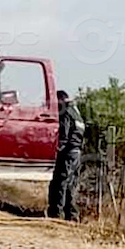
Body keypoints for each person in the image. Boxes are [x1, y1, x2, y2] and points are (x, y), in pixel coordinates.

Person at [47, 90, 85, 221]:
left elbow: (64, 135)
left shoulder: (65, 112)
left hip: (68, 152)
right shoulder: (77, 113)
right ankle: (72, 215)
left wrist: (57, 151)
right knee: (71, 185)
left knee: (60, 182)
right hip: (77, 153)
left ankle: (56, 213)